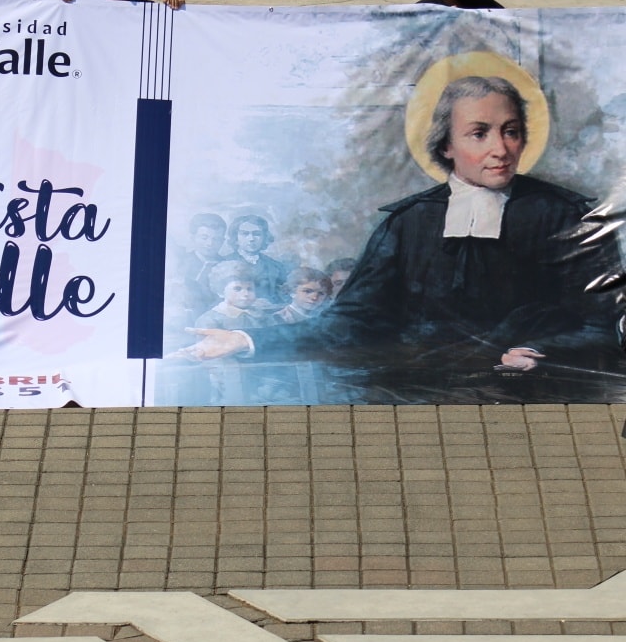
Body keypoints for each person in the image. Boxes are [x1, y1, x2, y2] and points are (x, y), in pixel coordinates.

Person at [180, 74, 620, 400]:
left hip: (531, 396)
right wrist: (248, 340)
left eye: (511, 131)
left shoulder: (568, 217)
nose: (500, 149)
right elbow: (350, 324)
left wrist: (537, 349)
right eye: (479, 133)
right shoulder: (408, 223)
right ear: (446, 145)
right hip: (415, 395)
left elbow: (605, 324)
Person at [224, 214, 287, 307]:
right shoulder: (223, 264)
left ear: (264, 237)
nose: (251, 239)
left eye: (257, 234)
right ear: (235, 237)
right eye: (245, 234)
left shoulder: (276, 266)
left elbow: (283, 297)